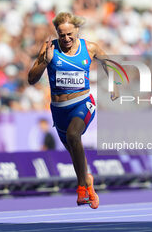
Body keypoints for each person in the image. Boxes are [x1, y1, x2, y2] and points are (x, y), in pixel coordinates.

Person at [28, 12, 118, 209]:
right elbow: (31, 79)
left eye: (70, 34)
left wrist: (113, 85)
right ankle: (88, 182)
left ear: (77, 30)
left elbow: (110, 64)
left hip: (83, 102)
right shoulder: (49, 49)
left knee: (73, 135)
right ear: (57, 34)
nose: (66, 39)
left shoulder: (90, 48)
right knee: (75, 152)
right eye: (62, 35)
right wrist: (45, 60)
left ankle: (81, 188)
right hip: (59, 110)